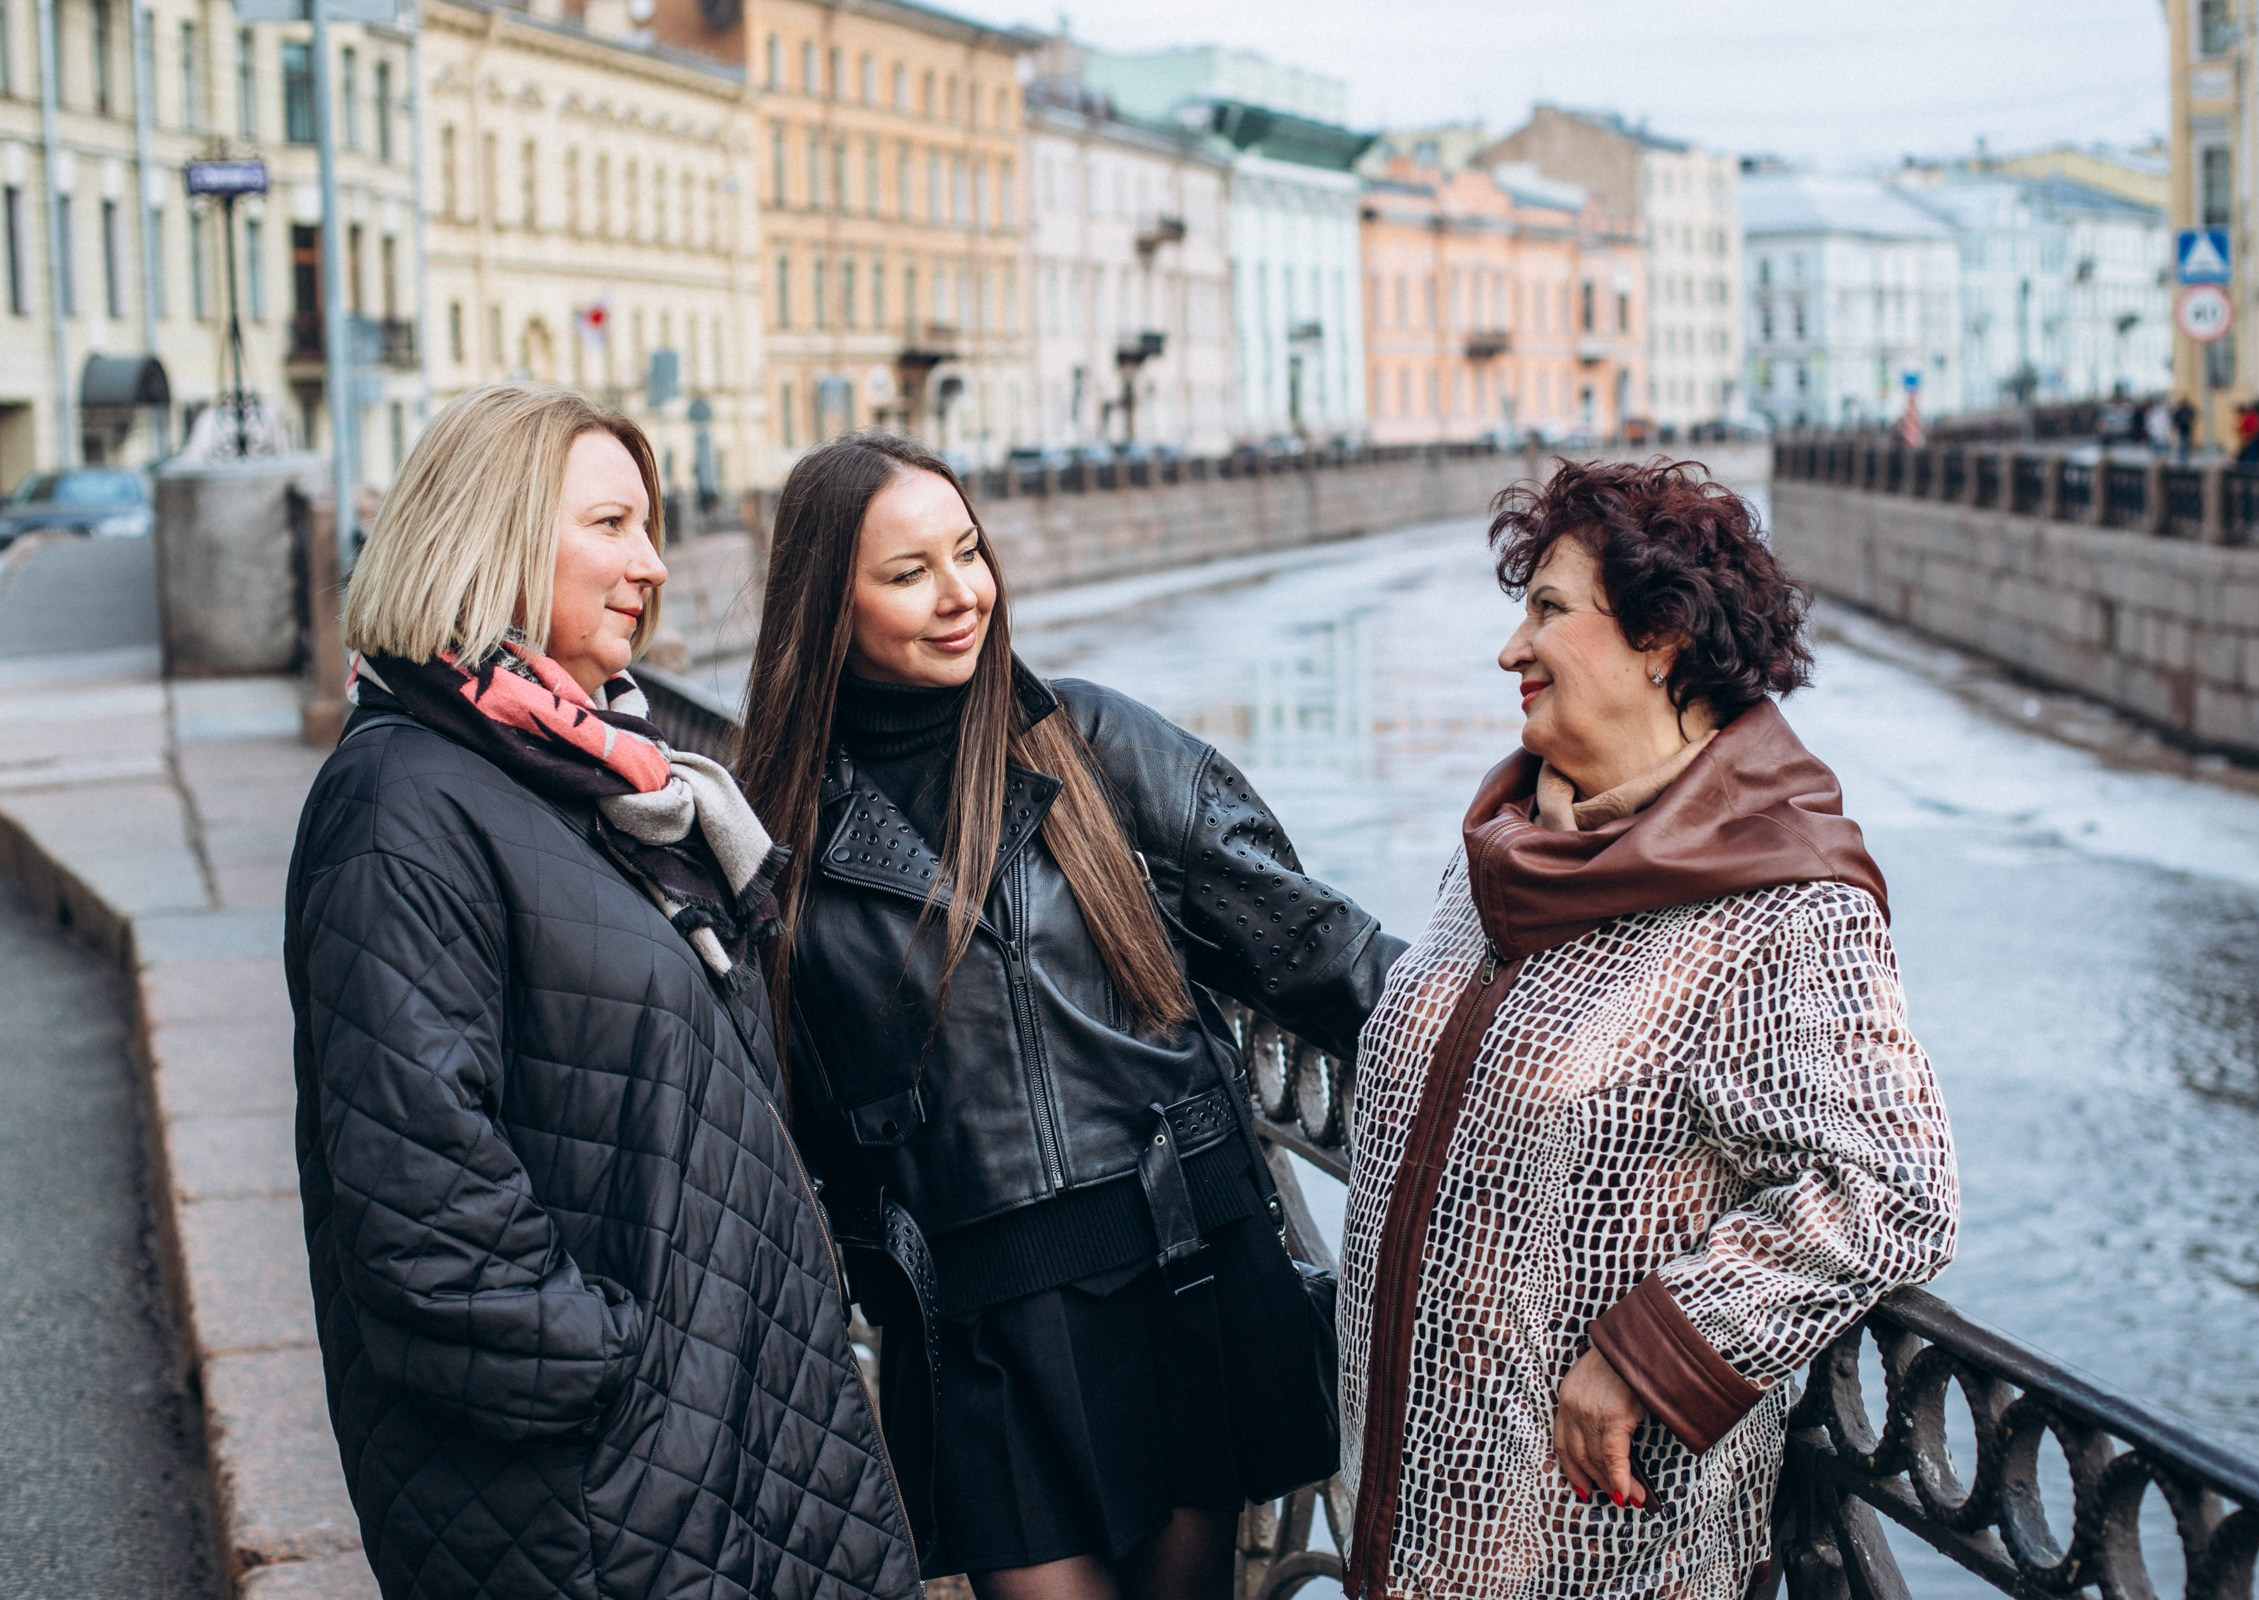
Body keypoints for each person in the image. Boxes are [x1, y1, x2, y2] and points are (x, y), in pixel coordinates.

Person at [736, 433, 1401, 1600]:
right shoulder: (775, 831)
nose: (963, 596)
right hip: (980, 1330)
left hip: (1176, 1275)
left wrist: (1538, 1045)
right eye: (908, 573)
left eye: (970, 552)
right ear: (825, 604)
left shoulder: (1090, 744)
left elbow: (1315, 946)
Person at [286, 385, 919, 1600]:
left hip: (715, 1442)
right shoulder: (401, 800)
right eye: (613, 525)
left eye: (649, 526)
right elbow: (422, 1209)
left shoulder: (573, 772)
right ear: (498, 535)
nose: (656, 565)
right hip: (600, 1491)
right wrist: (638, 1371)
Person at [1339, 458, 1960, 1600]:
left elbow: (1894, 1187)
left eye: (1547, 611)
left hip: (1591, 1554)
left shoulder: (1783, 903)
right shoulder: (1505, 848)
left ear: (1661, 636)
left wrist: (1656, 1348)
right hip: (1407, 1525)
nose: (1510, 650)